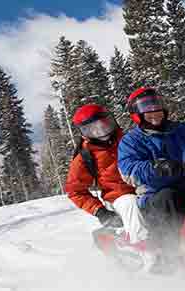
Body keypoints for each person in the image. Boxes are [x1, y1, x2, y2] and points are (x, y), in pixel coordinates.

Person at [117, 87, 185, 256]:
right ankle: (169, 257)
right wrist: (157, 167)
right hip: (156, 193)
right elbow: (129, 169)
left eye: (157, 105)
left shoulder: (182, 130)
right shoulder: (131, 141)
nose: (154, 111)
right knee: (168, 198)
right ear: (136, 113)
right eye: (146, 108)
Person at [65, 103, 153, 269]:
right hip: (117, 197)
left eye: (104, 125)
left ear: (112, 121)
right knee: (131, 203)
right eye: (92, 129)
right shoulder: (85, 156)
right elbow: (75, 191)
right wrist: (99, 211)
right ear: (84, 133)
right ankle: (148, 257)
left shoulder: (128, 140)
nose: (101, 132)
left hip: (145, 187)